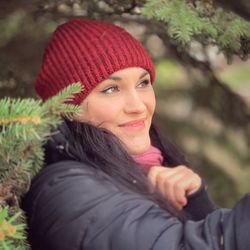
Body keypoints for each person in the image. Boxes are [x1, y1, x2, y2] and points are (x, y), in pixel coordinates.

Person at [22, 19, 250, 250]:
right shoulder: (68, 191)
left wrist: (196, 206)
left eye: (143, 83)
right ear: (67, 107)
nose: (138, 106)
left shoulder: (146, 171)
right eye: (111, 89)